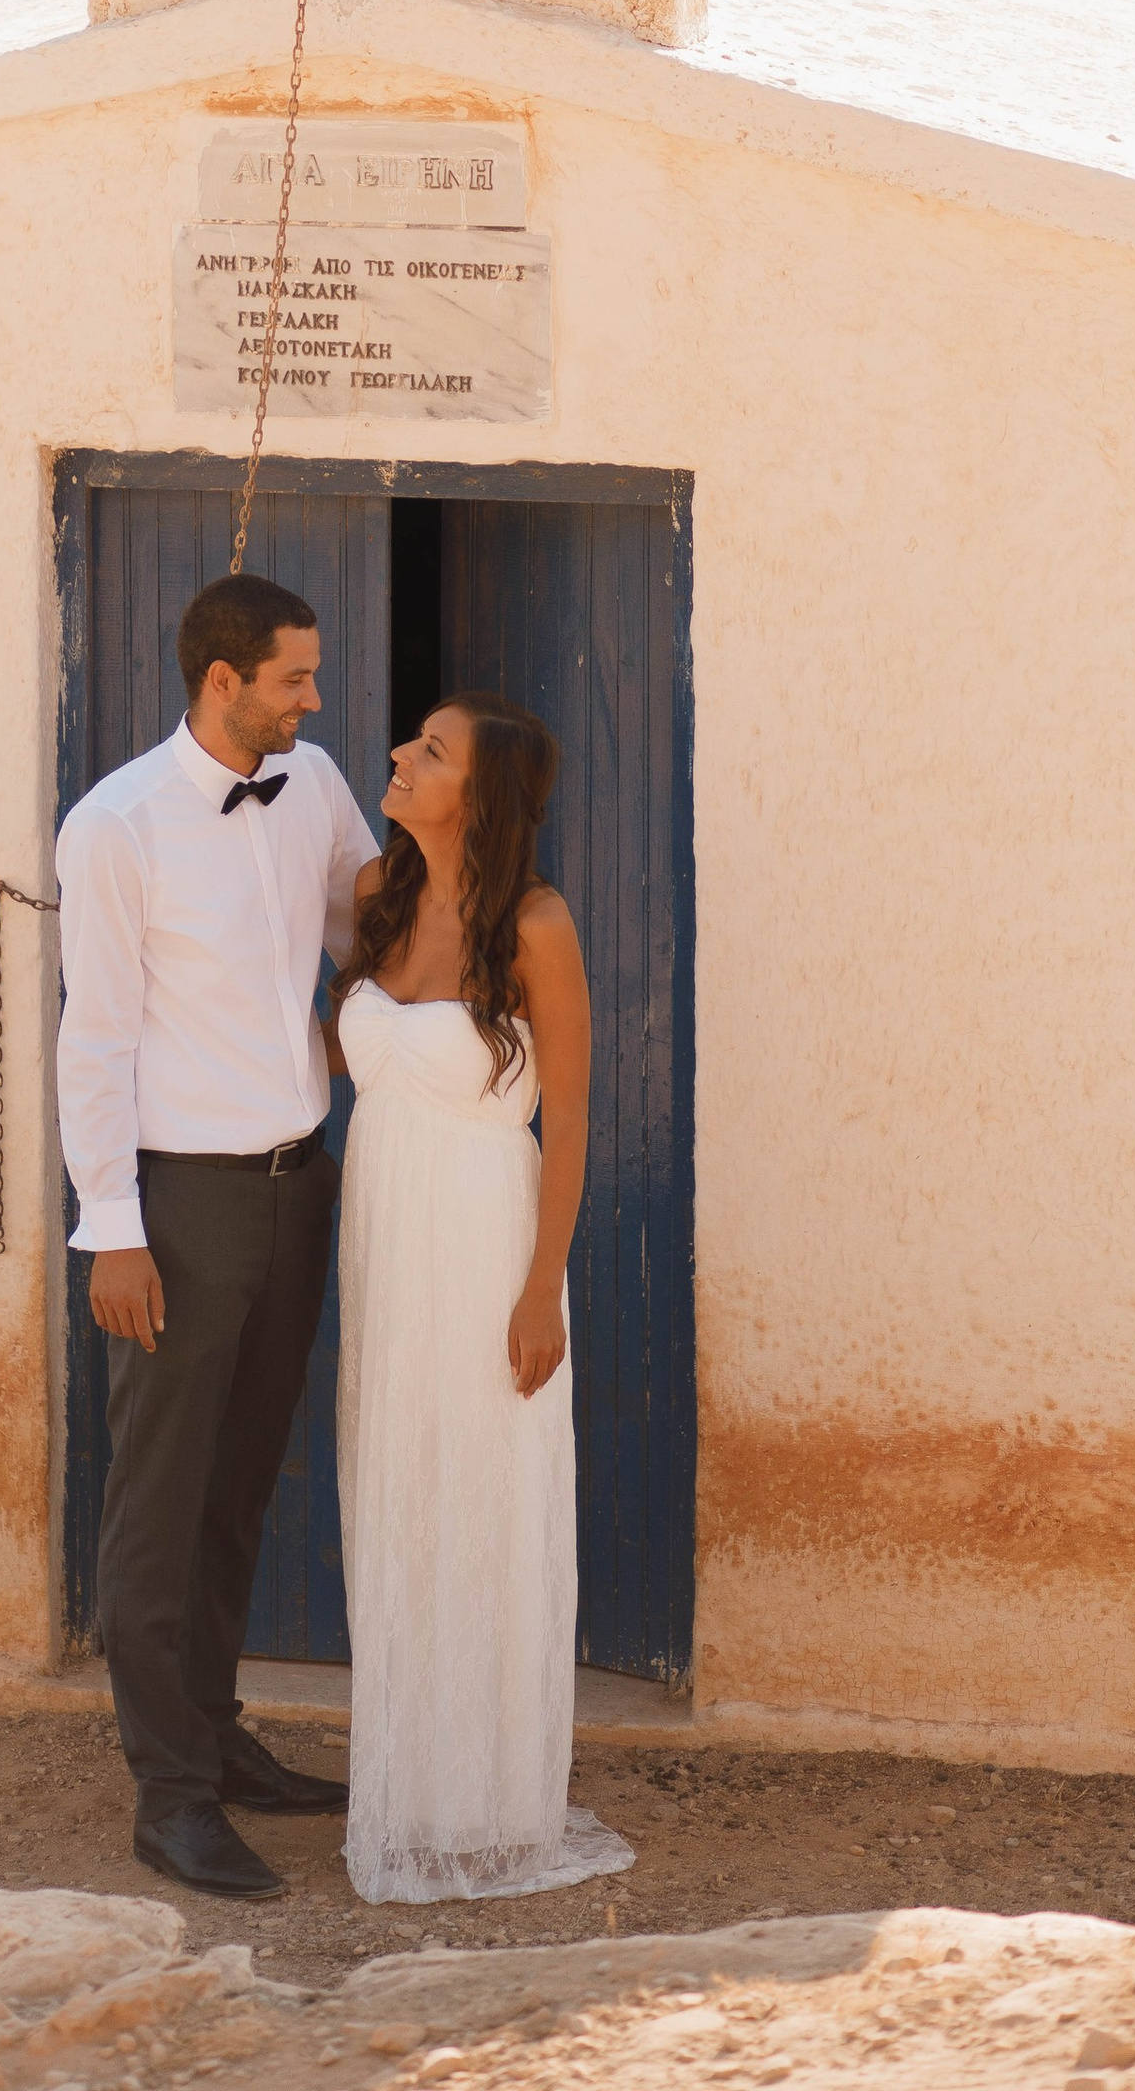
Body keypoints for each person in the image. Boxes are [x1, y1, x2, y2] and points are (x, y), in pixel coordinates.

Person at [56, 571, 376, 1899]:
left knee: (239, 1484)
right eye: (294, 677)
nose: (316, 697)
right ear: (222, 680)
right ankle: (170, 1794)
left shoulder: (317, 783)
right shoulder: (116, 825)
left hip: (299, 1185)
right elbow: (94, 1037)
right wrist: (111, 1228)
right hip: (179, 1207)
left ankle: (217, 1734)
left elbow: (366, 936)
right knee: (160, 1499)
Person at [332, 692, 635, 1905]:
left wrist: (541, 1288)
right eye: (413, 741)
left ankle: (497, 1797)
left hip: (484, 1239)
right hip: (385, 1232)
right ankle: (411, 1787)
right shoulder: (377, 893)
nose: (400, 757)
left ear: (483, 791)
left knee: (485, 1495)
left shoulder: (535, 925)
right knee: (400, 1486)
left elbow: (570, 1118)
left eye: (432, 751)